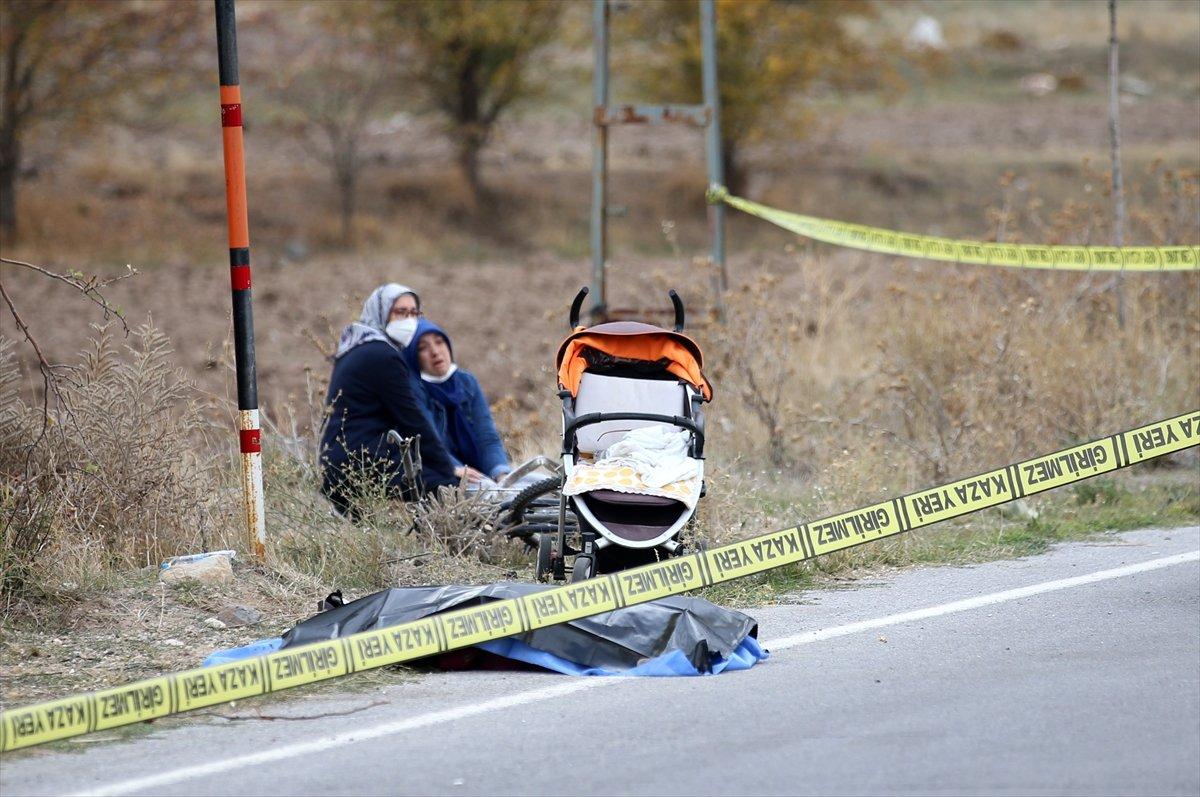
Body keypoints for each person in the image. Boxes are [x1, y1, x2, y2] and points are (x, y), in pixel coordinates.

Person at [319, 284, 465, 515]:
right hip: (360, 465)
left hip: (337, 463)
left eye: (414, 313)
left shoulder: (356, 347)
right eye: (400, 312)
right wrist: (448, 470)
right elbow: (412, 420)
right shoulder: (382, 354)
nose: (408, 320)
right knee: (444, 486)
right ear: (381, 312)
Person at [403, 318, 513, 485]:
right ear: (413, 357)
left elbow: (487, 436)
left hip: (480, 471)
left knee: (536, 486)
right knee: (490, 491)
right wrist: (452, 467)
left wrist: (501, 473)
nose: (435, 352)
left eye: (439, 342)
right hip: (445, 475)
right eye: (422, 348)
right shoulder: (414, 391)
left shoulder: (466, 382)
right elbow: (428, 443)